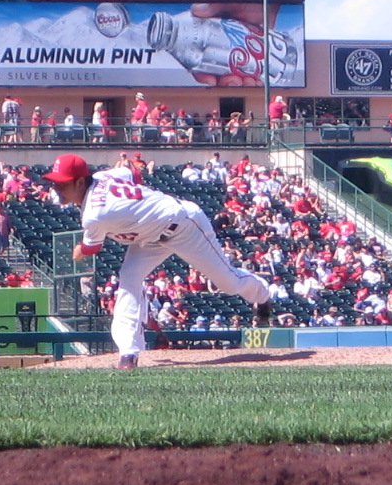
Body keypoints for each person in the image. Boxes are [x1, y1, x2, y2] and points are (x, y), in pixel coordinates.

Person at [43, 153, 271, 370]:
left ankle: (262, 295)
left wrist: (78, 251)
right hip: (149, 237)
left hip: (184, 226)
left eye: (61, 184)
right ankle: (128, 352)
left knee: (228, 283)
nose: (56, 188)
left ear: (80, 182)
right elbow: (133, 174)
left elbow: (91, 248)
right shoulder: (104, 176)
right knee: (129, 279)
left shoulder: (94, 214)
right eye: (54, 183)